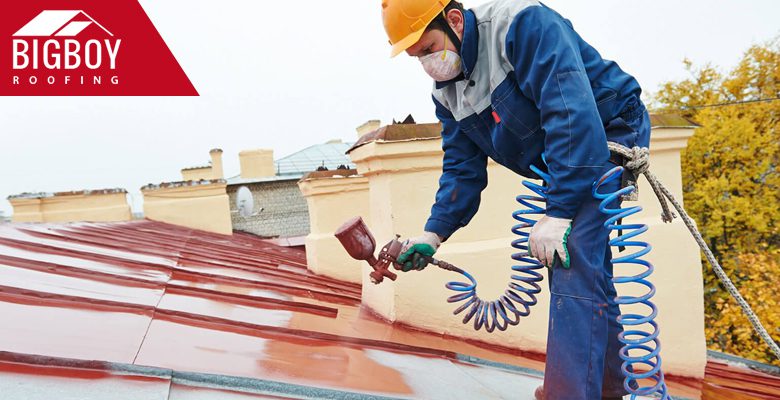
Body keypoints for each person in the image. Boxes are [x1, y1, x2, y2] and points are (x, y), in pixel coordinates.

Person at [381, 0, 651, 399]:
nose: (426, 64)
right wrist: (433, 234)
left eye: (428, 48)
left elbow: (570, 113)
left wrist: (559, 213)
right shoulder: (448, 93)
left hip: (606, 131)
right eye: (416, 57)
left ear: (454, 20)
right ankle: (609, 388)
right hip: (564, 154)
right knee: (587, 264)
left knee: (570, 250)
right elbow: (461, 171)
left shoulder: (522, 26)